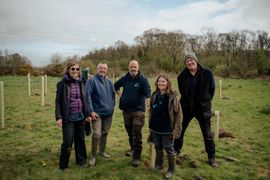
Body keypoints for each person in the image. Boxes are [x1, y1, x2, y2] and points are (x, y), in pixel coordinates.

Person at [174, 52, 218, 167]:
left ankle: (212, 157)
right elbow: (183, 93)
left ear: (196, 60)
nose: (189, 62)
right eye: (187, 61)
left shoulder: (207, 73)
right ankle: (175, 152)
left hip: (203, 109)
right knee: (179, 131)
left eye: (191, 59)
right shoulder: (181, 77)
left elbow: (211, 90)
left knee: (207, 134)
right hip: (186, 108)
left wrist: (205, 101)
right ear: (185, 64)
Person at [114, 60, 151, 167]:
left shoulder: (143, 80)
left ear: (138, 67)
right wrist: (120, 96)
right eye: (131, 67)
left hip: (138, 111)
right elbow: (116, 85)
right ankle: (133, 150)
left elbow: (148, 93)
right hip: (126, 111)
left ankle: (137, 157)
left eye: (135, 67)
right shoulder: (125, 78)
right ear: (128, 67)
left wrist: (148, 105)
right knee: (130, 132)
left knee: (137, 133)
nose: (133, 69)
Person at [55, 60, 89, 170]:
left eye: (77, 69)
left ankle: (81, 161)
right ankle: (63, 166)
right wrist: (58, 117)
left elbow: (85, 99)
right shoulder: (62, 84)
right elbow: (58, 101)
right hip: (68, 117)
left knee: (80, 140)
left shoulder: (82, 82)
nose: (75, 71)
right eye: (72, 69)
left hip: (80, 116)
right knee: (67, 142)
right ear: (68, 70)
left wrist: (87, 114)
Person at [149, 74, 182, 179]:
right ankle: (159, 165)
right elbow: (151, 110)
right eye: (159, 81)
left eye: (163, 81)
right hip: (155, 128)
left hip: (167, 129)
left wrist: (176, 131)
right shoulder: (154, 95)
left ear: (168, 83)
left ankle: (171, 170)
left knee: (169, 148)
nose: (161, 83)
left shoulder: (172, 97)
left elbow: (179, 114)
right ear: (156, 83)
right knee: (157, 146)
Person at [85, 62, 115, 166]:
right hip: (96, 114)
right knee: (97, 134)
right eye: (100, 68)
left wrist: (112, 107)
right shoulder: (92, 81)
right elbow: (87, 96)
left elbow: (112, 95)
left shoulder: (110, 82)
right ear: (97, 69)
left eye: (104, 68)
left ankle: (101, 151)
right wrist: (91, 111)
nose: (102, 70)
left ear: (107, 70)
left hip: (108, 113)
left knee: (105, 133)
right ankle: (93, 156)